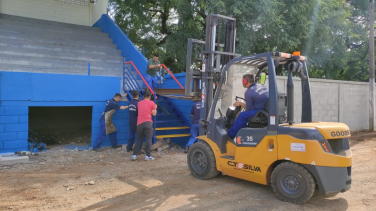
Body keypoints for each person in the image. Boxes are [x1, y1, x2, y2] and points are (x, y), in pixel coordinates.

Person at [131, 90, 157, 161]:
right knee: (148, 139)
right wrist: (155, 107)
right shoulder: (152, 103)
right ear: (149, 97)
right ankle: (147, 156)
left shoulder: (139, 103)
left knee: (139, 139)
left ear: (143, 96)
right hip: (148, 122)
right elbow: (154, 114)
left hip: (139, 123)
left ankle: (134, 155)